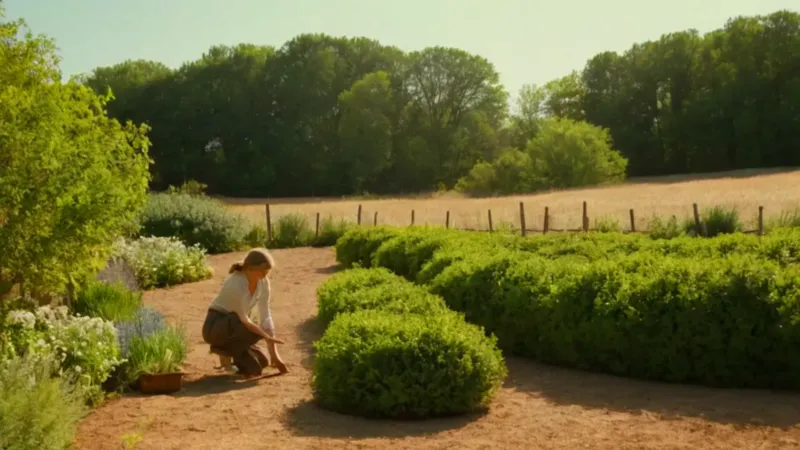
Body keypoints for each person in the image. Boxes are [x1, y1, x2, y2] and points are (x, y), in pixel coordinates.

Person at [202, 248, 288, 376]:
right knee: (255, 329)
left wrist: (274, 355)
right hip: (215, 327)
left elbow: (265, 316)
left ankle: (231, 351)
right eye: (263, 269)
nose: (266, 273)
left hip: (235, 325)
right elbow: (244, 321)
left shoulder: (263, 282)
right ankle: (222, 349)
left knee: (261, 363)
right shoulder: (235, 283)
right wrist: (266, 336)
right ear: (251, 268)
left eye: (268, 270)